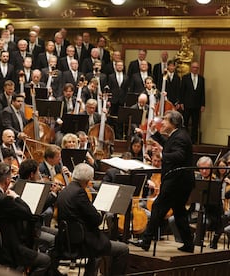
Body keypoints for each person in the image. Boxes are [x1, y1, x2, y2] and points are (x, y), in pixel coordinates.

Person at [133, 110, 195, 253]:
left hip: (176, 182)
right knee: (179, 213)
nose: (163, 122)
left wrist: (162, 154)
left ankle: (146, 241)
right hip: (180, 181)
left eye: (165, 120)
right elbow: (169, 145)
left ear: (173, 123)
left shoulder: (180, 137)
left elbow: (179, 155)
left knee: (158, 207)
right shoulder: (179, 135)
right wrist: (155, 133)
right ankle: (188, 244)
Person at [0, 162, 51, 275]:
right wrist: (16, 197)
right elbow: (27, 213)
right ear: (7, 181)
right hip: (8, 250)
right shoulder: (3, 200)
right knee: (45, 260)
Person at [57, 163, 129, 275]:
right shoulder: (79, 193)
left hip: (68, 238)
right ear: (87, 181)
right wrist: (99, 213)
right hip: (82, 241)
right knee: (123, 249)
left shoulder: (65, 191)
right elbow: (96, 220)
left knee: (99, 250)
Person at [180, 61, 205, 144]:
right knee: (185, 123)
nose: (195, 69)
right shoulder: (185, 78)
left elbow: (202, 93)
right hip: (186, 105)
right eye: (194, 67)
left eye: (197, 68)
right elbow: (182, 91)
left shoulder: (201, 79)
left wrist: (203, 104)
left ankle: (193, 140)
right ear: (191, 68)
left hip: (197, 105)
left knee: (195, 124)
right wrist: (181, 102)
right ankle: (184, 139)